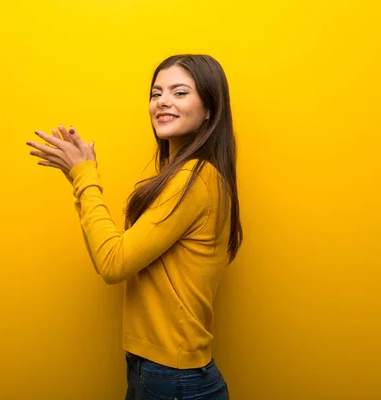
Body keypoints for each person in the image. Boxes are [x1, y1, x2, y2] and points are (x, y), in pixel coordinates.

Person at [26, 54, 242, 399]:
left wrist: (85, 177)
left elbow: (114, 262)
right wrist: (79, 179)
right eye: (156, 93)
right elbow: (112, 254)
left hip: (174, 379)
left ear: (209, 111)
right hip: (159, 372)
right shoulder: (187, 178)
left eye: (180, 92)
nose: (163, 102)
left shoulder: (196, 180)